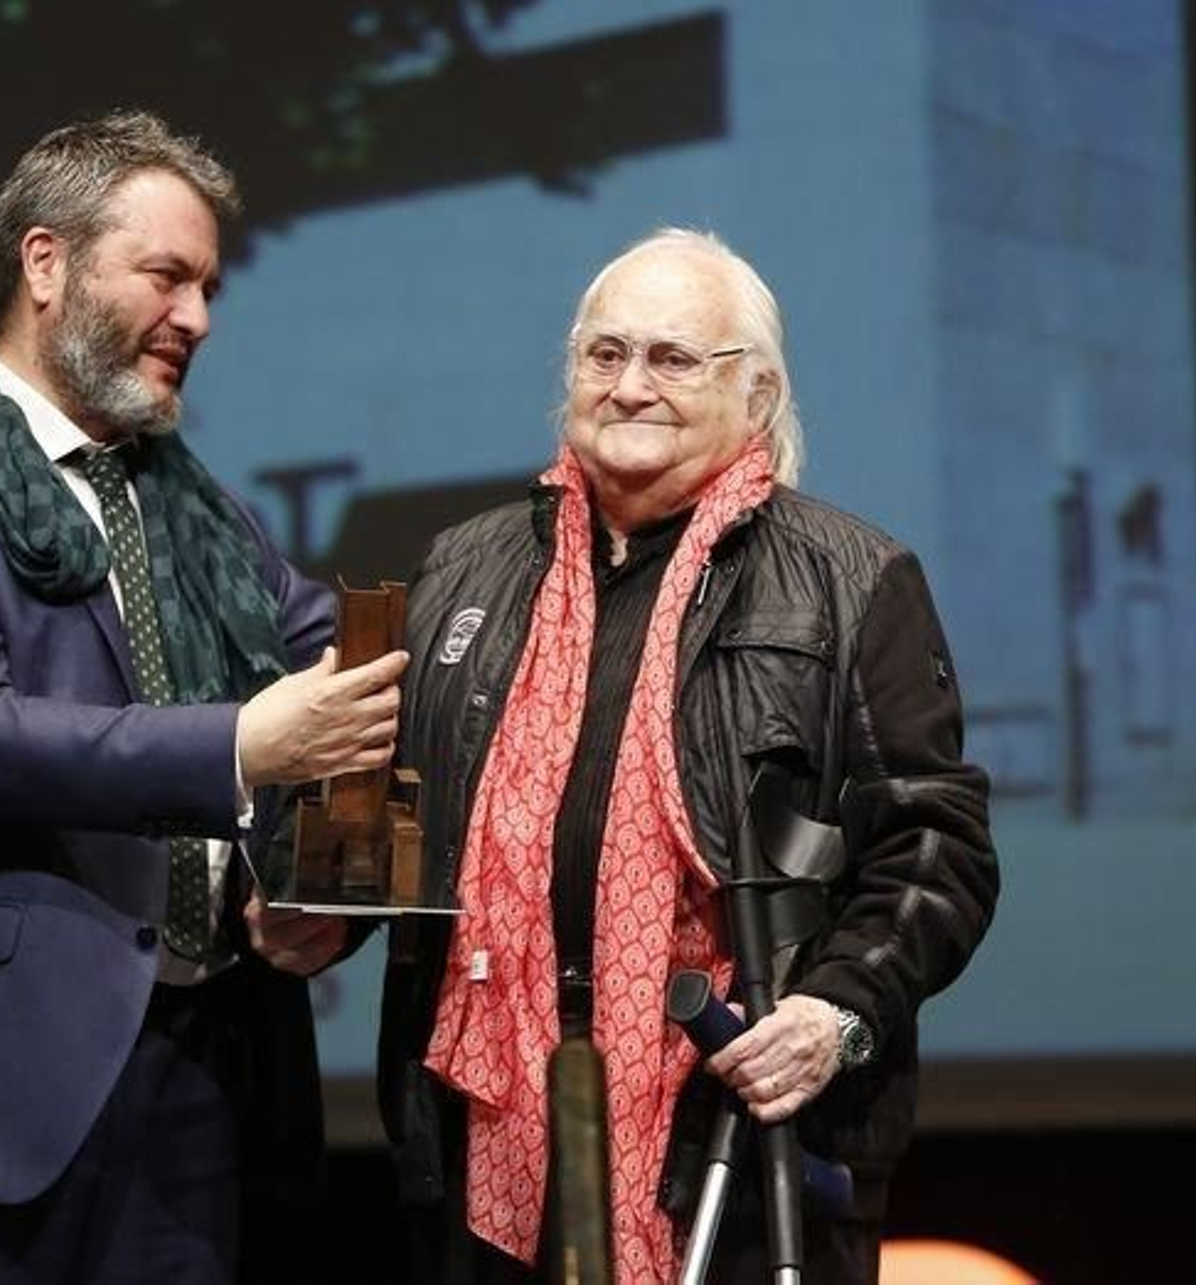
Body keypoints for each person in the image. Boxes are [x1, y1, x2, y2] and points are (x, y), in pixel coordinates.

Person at [0, 109, 403, 1284]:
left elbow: (359, 691)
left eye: (210, 286)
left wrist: (324, 890)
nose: (197, 319)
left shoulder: (204, 515)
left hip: (192, 1091)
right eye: (166, 275)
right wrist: (243, 748)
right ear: (45, 263)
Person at [378, 227, 999, 1284]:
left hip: (737, 1131)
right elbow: (399, 814)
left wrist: (835, 1013)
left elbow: (936, 848)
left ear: (756, 396)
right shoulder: (464, 569)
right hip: (494, 1117)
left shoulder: (850, 579)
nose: (629, 387)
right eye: (603, 354)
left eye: (672, 359)